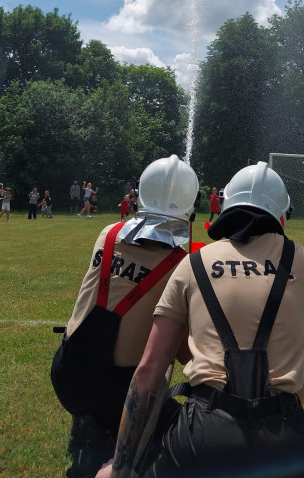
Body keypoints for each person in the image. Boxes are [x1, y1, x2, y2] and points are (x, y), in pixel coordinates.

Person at [98, 161, 304, 478]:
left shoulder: (193, 264)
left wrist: (119, 468)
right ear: (280, 215)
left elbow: (149, 371)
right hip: (287, 434)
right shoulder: (299, 259)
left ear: (226, 205)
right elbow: (295, 357)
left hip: (204, 435)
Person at [51, 155, 199, 478]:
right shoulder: (181, 265)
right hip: (118, 389)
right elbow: (181, 351)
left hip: (68, 368)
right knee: (174, 419)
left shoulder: (108, 233)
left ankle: (89, 429)